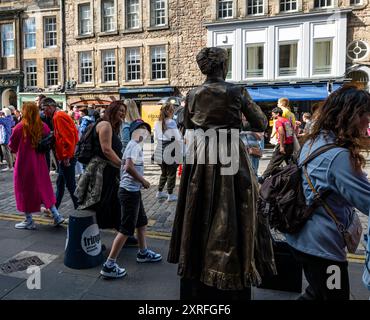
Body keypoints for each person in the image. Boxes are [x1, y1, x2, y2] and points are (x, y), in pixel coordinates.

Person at [167, 47, 273, 300]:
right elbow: (260, 123)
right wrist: (235, 120)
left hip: (202, 154)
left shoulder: (192, 94)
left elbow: (188, 125)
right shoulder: (236, 91)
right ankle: (228, 267)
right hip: (228, 152)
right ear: (222, 67)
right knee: (233, 209)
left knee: (198, 205)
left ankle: (197, 261)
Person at [286, 86, 370, 300]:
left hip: (303, 238)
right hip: (323, 248)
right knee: (334, 297)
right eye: (365, 115)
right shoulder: (338, 157)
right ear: (351, 115)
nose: (368, 122)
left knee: (316, 294)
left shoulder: (316, 141)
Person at [100, 119, 162, 279]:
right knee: (126, 229)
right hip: (129, 193)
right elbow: (128, 166)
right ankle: (109, 264)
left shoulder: (136, 145)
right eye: (140, 130)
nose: (144, 133)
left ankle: (143, 252)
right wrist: (143, 181)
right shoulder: (134, 146)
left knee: (141, 222)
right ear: (134, 132)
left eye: (146, 130)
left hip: (132, 191)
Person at [8, 102, 64, 229]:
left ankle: (29, 220)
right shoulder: (42, 126)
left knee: (24, 190)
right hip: (40, 163)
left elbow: (12, 146)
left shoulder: (19, 127)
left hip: (24, 164)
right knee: (44, 188)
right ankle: (56, 215)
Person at [41, 98, 79, 210]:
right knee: (60, 183)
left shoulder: (58, 116)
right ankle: (54, 209)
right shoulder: (60, 115)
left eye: (44, 109)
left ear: (50, 106)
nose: (44, 112)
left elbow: (67, 138)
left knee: (71, 185)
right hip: (66, 156)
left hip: (67, 157)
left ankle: (79, 210)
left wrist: (66, 156)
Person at [154, 102, 183, 202]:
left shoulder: (157, 122)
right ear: (169, 111)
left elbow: (156, 137)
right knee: (171, 173)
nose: (173, 111)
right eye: (172, 109)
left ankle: (159, 192)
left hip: (160, 149)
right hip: (170, 149)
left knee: (164, 173)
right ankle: (170, 195)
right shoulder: (171, 122)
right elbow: (178, 138)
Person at [259, 107, 294, 183]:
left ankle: (263, 177)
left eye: (273, 114)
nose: (272, 115)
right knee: (289, 162)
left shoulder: (278, 121)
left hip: (283, 144)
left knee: (274, 161)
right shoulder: (287, 120)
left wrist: (281, 146)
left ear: (278, 114)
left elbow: (281, 133)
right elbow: (292, 131)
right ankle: (294, 175)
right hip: (290, 144)